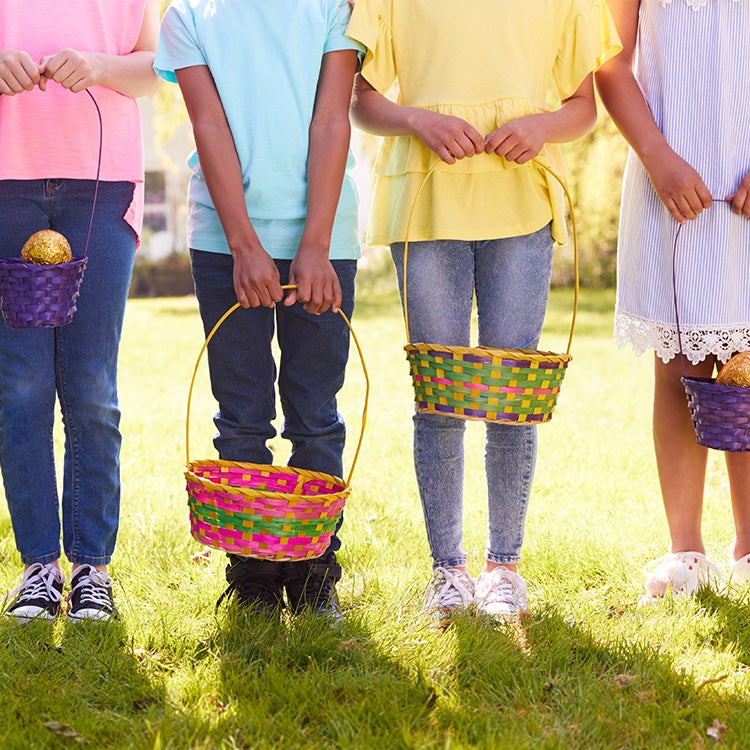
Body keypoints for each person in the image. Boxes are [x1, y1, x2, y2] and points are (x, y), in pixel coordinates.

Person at [347, 1, 621, 620]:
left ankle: (504, 567)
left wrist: (542, 127)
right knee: (438, 398)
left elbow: (584, 107)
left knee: (512, 395)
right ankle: (447, 569)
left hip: (522, 200)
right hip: (426, 197)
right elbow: (359, 97)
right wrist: (417, 119)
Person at [154, 0, 363, 620]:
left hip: (325, 239)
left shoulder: (333, 7)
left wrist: (316, 244)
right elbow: (208, 125)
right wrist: (245, 246)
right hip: (224, 243)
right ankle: (252, 572)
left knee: (315, 412)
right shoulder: (189, 13)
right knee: (242, 413)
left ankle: (313, 566)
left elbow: (331, 121)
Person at [0, 0, 160, 623]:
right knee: (20, 386)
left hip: (102, 181)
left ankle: (91, 567)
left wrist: (98, 65)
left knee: (92, 385)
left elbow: (158, 68)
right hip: (6, 186)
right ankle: (40, 566)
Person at [595, 0, 750, 603]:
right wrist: (658, 160)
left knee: (748, 361)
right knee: (680, 360)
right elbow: (608, 59)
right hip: (671, 177)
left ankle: (749, 547)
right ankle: (686, 550)